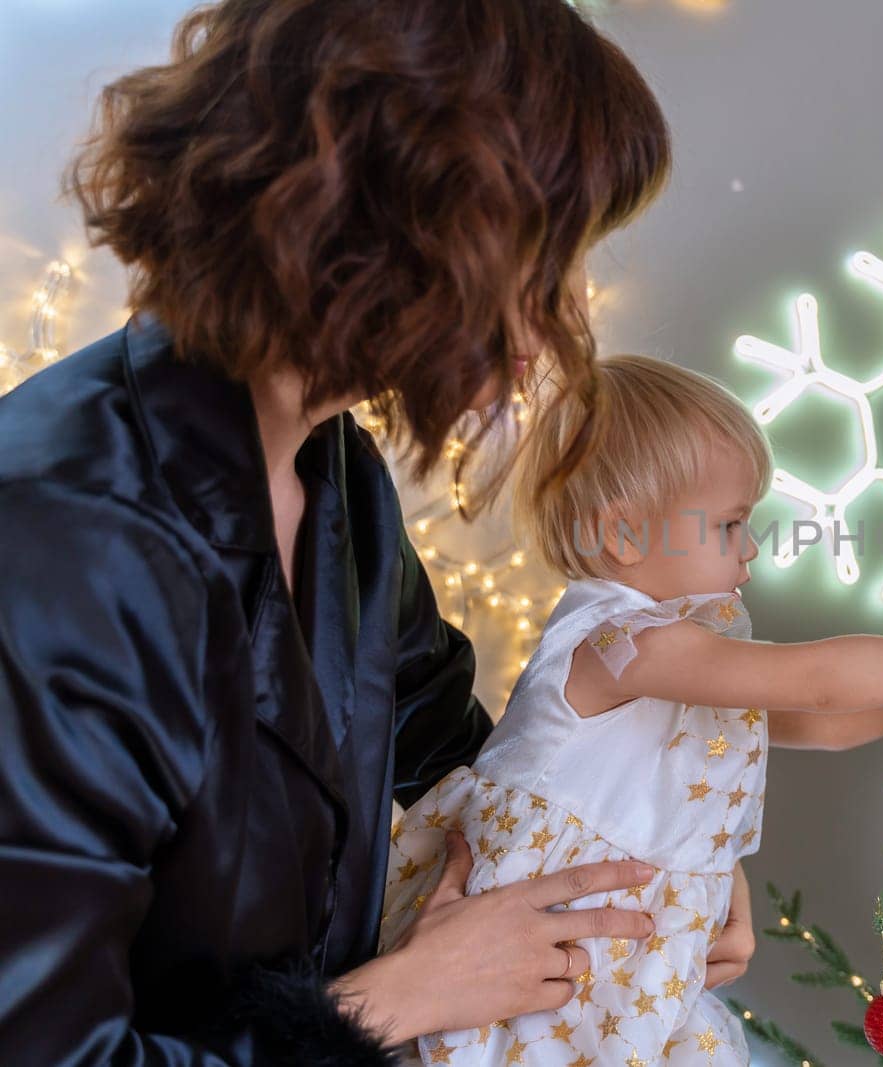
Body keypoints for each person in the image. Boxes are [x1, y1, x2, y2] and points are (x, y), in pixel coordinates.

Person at [0, 2, 758, 1063]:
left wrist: (657, 841)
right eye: (545, 259)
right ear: (403, 225)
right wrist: (389, 1002)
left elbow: (447, 739)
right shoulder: (58, 544)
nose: (560, 317)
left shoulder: (336, 474)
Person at [377, 355, 883, 1064]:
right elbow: (819, 682)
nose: (750, 548)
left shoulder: (686, 663)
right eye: (730, 524)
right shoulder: (622, 644)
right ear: (624, 534)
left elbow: (831, 722)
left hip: (621, 974)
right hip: (543, 965)